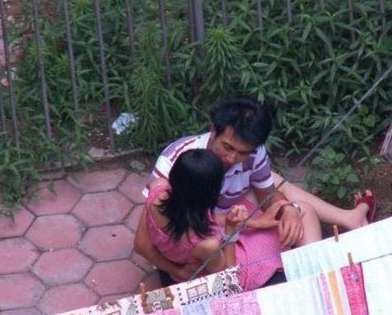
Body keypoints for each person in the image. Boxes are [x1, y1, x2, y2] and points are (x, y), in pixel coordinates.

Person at [134, 96, 376, 283]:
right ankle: (312, 278)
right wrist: (243, 226)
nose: (232, 158)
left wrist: (287, 210)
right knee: (304, 212)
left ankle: (327, 252)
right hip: (210, 242)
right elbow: (163, 237)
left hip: (220, 222)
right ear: (213, 130)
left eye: (243, 153)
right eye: (227, 147)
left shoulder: (252, 154)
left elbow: (267, 194)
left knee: (290, 202)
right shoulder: (174, 165)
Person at [145, 148, 289, 291]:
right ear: (211, 194)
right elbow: (231, 281)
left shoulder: (157, 191)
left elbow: (197, 218)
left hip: (174, 259)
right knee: (270, 245)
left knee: (258, 224)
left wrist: (253, 223)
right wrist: (230, 230)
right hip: (202, 278)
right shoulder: (207, 245)